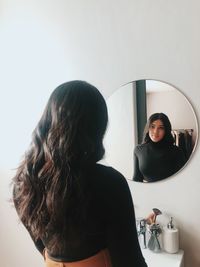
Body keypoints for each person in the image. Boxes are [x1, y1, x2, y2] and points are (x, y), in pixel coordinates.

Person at [12, 81, 147, 267]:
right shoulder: (109, 182)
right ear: (97, 126)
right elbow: (129, 260)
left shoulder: (24, 179)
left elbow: (41, 245)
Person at [133, 113, 186, 182]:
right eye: (152, 126)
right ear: (148, 128)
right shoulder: (138, 150)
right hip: (146, 192)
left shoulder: (176, 152)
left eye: (161, 128)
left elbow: (182, 180)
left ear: (166, 130)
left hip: (171, 191)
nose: (155, 132)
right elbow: (136, 179)